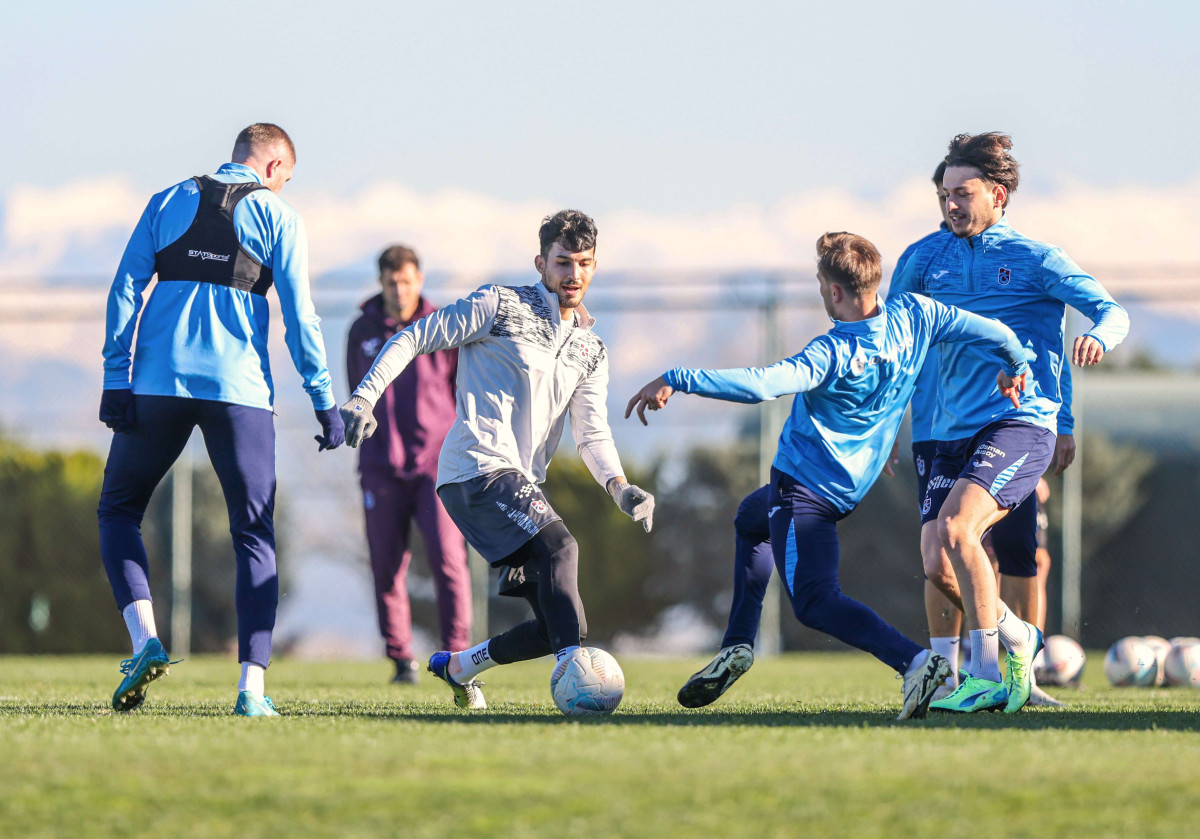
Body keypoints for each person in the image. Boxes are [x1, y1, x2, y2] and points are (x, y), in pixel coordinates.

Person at [631, 232, 1030, 720]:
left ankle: (918, 663)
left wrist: (677, 377)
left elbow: (762, 384)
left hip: (802, 490)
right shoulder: (917, 315)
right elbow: (994, 331)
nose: (822, 293)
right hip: (848, 490)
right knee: (750, 519)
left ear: (835, 291)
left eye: (821, 285)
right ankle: (737, 644)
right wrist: (1015, 363)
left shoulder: (832, 351)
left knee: (815, 602)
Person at [341, 210, 653, 710]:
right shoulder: (499, 305)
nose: (574, 275)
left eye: (585, 264)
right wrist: (364, 398)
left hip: (518, 482)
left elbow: (592, 434)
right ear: (541, 263)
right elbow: (413, 336)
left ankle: (458, 667)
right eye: (563, 262)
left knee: (558, 620)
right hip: (476, 468)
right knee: (561, 547)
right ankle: (577, 684)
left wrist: (619, 486)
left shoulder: (591, 349)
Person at [98, 123, 344, 717]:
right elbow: (300, 317)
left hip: (156, 386)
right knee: (253, 533)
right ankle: (251, 692)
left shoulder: (166, 200)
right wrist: (323, 399)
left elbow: (126, 288)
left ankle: (145, 640)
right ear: (276, 168)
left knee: (119, 511)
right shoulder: (279, 218)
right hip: (240, 394)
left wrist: (115, 376)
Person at [890, 132, 1129, 714]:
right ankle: (1010, 638)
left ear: (998, 195)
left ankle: (987, 671)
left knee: (970, 537)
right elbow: (891, 343)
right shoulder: (922, 259)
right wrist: (882, 422)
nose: (951, 204)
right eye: (944, 194)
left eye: (963, 193)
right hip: (940, 432)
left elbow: (1110, 311)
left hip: (1017, 422)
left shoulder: (1035, 259)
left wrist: (1097, 336)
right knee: (936, 560)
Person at [346, 245, 471, 684]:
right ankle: (402, 660)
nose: (399, 289)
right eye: (391, 281)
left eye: (406, 280)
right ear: (380, 282)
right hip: (380, 466)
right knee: (386, 564)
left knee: (448, 559)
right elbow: (357, 391)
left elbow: (460, 390)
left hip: (438, 466)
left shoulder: (443, 326)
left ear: (419, 280)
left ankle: (459, 656)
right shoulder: (361, 329)